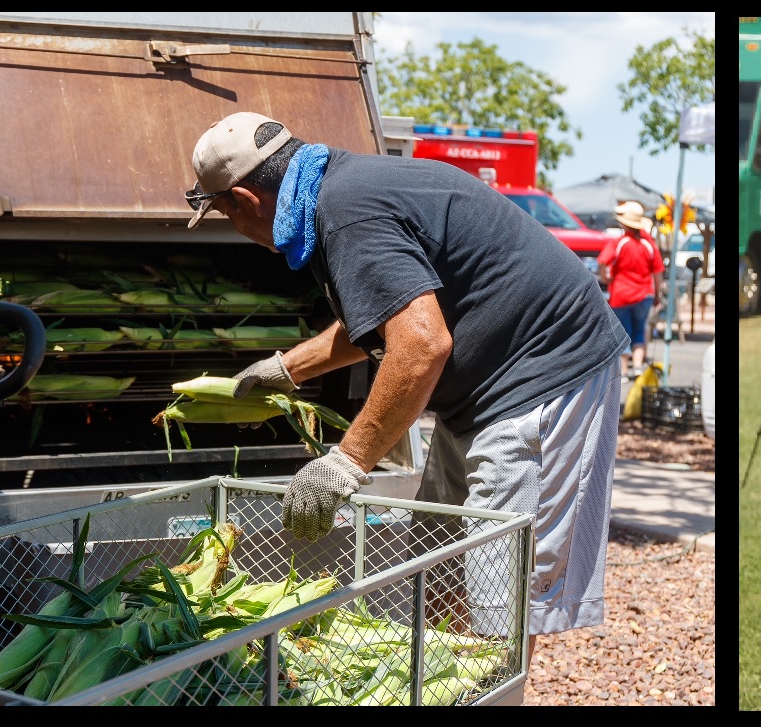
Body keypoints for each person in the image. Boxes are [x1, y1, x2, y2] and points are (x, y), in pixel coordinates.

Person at [183, 112, 630, 657]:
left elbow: (421, 345)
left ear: (246, 201)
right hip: (483, 391)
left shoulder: (346, 213)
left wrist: (345, 463)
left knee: (498, 589)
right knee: (435, 560)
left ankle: (491, 688)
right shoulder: (339, 192)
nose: (237, 229)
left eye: (225, 214)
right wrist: (285, 369)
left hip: (542, 379)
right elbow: (384, 313)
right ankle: (435, 677)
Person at [598, 200, 666, 376]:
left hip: (621, 294)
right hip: (644, 295)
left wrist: (607, 278)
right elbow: (658, 273)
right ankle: (637, 367)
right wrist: (658, 294)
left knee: (622, 331)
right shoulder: (649, 244)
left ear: (623, 223)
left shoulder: (619, 243)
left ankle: (622, 371)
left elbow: (602, 261)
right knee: (639, 331)